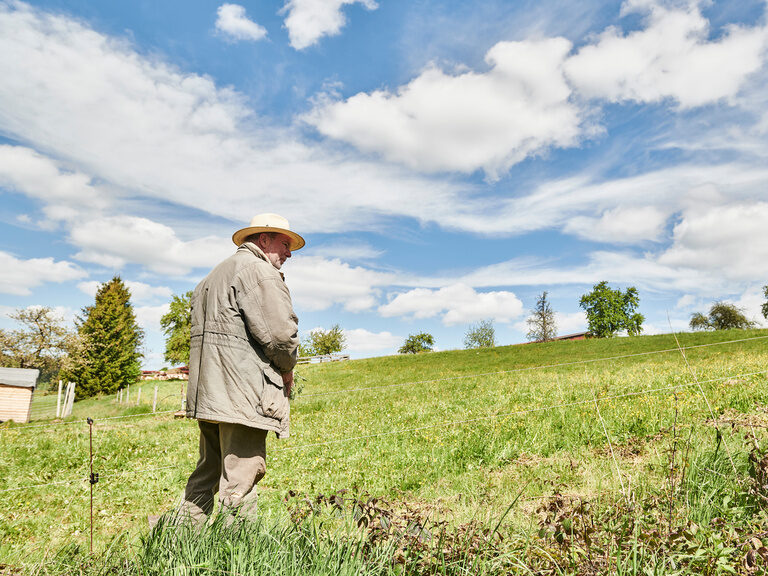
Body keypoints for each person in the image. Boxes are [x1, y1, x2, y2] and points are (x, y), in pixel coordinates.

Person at [179, 213, 304, 523]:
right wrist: (287, 369)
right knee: (242, 477)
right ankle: (236, 552)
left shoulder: (212, 276)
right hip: (241, 393)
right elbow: (279, 337)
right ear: (264, 239)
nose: (289, 253)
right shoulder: (259, 272)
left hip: (209, 393)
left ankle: (182, 540)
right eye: (285, 244)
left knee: (207, 471)